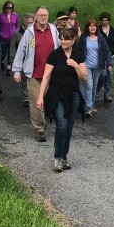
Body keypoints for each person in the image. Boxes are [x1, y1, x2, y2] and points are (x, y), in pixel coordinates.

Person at [36, 28, 87, 172]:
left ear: (73, 40)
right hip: (57, 94)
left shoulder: (78, 55)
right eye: (61, 39)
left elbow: (84, 77)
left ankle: (64, 157)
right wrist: (40, 97)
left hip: (73, 95)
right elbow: (46, 76)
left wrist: (76, 65)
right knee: (62, 125)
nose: (63, 41)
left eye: (66, 39)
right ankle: (57, 157)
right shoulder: (54, 55)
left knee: (69, 126)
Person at [12, 7, 61, 141]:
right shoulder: (29, 32)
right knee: (36, 103)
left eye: (45, 15)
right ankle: (39, 129)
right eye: (40, 15)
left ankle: (48, 122)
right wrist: (17, 70)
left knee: (49, 101)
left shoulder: (53, 30)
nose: (43, 17)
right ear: (35, 16)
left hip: (51, 73)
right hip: (34, 74)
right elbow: (21, 51)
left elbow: (60, 47)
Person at [74, 18, 111, 117]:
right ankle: (89, 108)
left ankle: (91, 105)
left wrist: (109, 64)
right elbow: (78, 50)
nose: (93, 27)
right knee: (89, 86)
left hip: (98, 66)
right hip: (86, 66)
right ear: (87, 27)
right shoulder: (83, 37)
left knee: (94, 87)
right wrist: (78, 64)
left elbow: (107, 52)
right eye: (91, 26)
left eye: (94, 26)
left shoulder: (101, 38)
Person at [10, 13, 35, 107]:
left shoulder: (35, 33)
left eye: (32, 23)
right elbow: (12, 48)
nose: (30, 25)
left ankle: (33, 96)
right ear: (24, 22)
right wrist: (12, 61)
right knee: (24, 80)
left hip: (33, 60)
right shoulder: (17, 34)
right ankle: (26, 98)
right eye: (28, 23)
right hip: (22, 60)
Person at [98, 12, 114, 104]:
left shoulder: (113, 30)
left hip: (112, 56)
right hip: (101, 56)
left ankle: (107, 94)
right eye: (103, 20)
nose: (104, 22)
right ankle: (97, 89)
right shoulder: (98, 30)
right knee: (102, 74)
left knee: (109, 75)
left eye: (106, 20)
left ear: (109, 20)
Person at [0, 0, 19, 75]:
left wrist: (16, 32)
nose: (8, 9)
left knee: (11, 54)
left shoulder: (15, 15)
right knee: (3, 54)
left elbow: (17, 25)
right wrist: (0, 34)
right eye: (7, 8)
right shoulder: (0, 16)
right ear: (4, 8)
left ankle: (8, 69)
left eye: (10, 8)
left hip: (12, 38)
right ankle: (1, 62)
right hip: (2, 38)